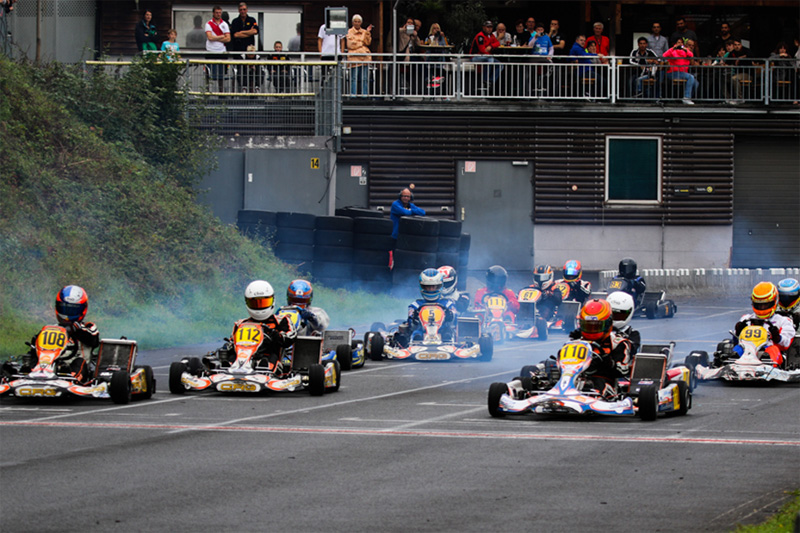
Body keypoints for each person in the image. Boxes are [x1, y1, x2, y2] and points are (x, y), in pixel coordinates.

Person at [30, 285, 100, 383]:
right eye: (64, 308)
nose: (67, 315)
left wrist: (75, 329)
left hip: (76, 367)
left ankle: (73, 380)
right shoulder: (52, 329)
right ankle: (32, 373)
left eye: (72, 309)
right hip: (53, 364)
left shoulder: (89, 327)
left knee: (79, 362)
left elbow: (94, 340)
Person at [229, 280, 296, 375]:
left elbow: (290, 338)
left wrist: (274, 334)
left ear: (272, 300)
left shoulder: (281, 320)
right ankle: (228, 367)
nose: (259, 307)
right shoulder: (241, 324)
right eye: (254, 303)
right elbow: (233, 342)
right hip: (243, 356)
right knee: (230, 354)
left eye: (264, 302)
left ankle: (266, 368)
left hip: (270, 355)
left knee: (271, 356)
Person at [572, 298, 634, 399]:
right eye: (588, 326)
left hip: (604, 381)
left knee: (594, 388)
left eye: (596, 327)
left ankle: (589, 398)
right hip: (574, 379)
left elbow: (623, 371)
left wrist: (606, 362)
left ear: (608, 324)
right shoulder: (576, 342)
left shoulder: (618, 343)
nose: (591, 330)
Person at [732, 282, 796, 367]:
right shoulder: (746, 319)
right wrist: (737, 333)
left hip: (770, 352)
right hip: (746, 351)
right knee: (737, 349)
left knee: (773, 349)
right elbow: (735, 342)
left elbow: (786, 344)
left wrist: (777, 337)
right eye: (759, 305)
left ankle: (767, 363)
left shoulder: (783, 321)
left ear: (774, 301)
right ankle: (732, 361)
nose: (762, 308)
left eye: (765, 304)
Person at [405, 268, 458, 343]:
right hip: (422, 334)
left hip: (443, 334)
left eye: (434, 287)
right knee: (416, 333)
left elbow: (455, 322)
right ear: (422, 287)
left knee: (448, 333)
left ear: (440, 286)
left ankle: (449, 344)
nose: (431, 289)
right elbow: (411, 325)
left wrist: (450, 315)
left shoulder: (448, 304)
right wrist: (414, 319)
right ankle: (415, 344)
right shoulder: (415, 305)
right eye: (427, 287)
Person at [663, 38, 699, 104]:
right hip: (672, 72)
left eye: (681, 43)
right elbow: (664, 55)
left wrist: (686, 50)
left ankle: (689, 97)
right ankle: (686, 97)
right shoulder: (673, 51)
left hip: (683, 74)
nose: (680, 44)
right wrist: (674, 48)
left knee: (696, 83)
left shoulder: (685, 52)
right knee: (691, 77)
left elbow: (691, 55)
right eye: (678, 42)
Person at [469, 20, 503, 87]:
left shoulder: (491, 35)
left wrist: (491, 46)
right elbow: (482, 50)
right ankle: (485, 80)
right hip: (475, 56)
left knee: (500, 64)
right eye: (488, 27)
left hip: (486, 56)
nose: (489, 29)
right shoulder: (480, 36)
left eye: (491, 27)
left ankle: (491, 81)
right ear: (483, 27)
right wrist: (489, 51)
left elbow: (498, 43)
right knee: (490, 59)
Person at [205, 5, 231, 93]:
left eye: (220, 13)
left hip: (221, 51)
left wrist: (216, 37)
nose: (218, 14)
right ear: (213, 13)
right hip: (210, 51)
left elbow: (228, 39)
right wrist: (221, 36)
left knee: (221, 74)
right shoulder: (208, 24)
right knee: (208, 73)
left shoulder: (224, 24)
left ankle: (221, 92)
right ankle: (207, 92)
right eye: (216, 12)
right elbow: (210, 38)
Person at [345, 14, 373, 96]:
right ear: (352, 22)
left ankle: (365, 94)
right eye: (355, 21)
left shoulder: (365, 31)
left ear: (361, 23)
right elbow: (350, 45)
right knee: (353, 78)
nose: (357, 23)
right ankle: (353, 94)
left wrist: (367, 33)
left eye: (359, 22)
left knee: (365, 78)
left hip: (365, 58)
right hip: (354, 58)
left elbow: (368, 42)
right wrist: (361, 42)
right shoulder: (349, 31)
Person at [394, 17, 422, 94]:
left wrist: (415, 36)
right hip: (404, 56)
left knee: (419, 66)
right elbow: (397, 32)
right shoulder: (401, 31)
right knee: (402, 74)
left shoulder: (413, 34)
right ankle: (401, 91)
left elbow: (418, 45)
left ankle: (417, 88)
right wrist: (404, 29)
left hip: (411, 56)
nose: (409, 24)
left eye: (411, 23)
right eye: (408, 22)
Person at [727, 37, 751, 104]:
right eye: (735, 45)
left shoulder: (746, 50)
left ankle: (739, 98)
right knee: (723, 78)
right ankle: (727, 98)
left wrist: (740, 58)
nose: (737, 46)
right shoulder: (732, 53)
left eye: (738, 45)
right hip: (736, 73)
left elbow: (751, 56)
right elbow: (727, 62)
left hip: (747, 73)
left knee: (734, 78)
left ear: (741, 45)